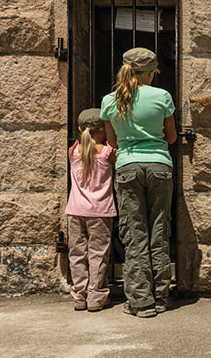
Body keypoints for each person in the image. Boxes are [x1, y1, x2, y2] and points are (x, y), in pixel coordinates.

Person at [100, 47, 177, 318]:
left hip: (127, 167)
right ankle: (160, 298)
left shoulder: (110, 100)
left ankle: (141, 302)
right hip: (159, 166)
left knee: (134, 234)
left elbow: (111, 143)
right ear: (150, 72)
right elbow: (171, 138)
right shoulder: (162, 97)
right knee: (159, 231)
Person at [66, 108, 116, 312]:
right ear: (103, 130)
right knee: (98, 254)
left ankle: (80, 296)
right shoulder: (107, 153)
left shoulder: (73, 151)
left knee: (77, 253)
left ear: (79, 129)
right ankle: (96, 297)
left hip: (75, 209)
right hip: (101, 211)